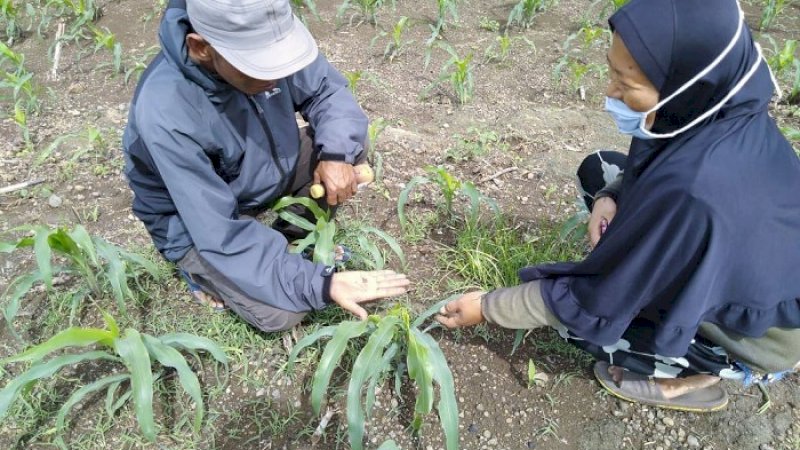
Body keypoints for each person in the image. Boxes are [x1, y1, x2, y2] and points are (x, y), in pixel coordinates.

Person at [436, 0, 800, 412]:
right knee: (600, 171)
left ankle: (698, 376)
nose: (610, 92)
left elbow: (591, 299)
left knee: (580, 326)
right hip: (736, 258)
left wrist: (487, 307)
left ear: (685, 84)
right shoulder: (721, 107)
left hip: (763, 337)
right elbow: (657, 174)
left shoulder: (694, 191)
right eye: (612, 72)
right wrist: (610, 198)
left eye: (626, 83)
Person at [122, 0, 409, 332]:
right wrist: (322, 285)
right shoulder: (166, 112)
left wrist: (336, 156)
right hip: (193, 218)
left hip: (253, 173)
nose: (279, 77)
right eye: (260, 68)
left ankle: (291, 242)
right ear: (201, 49)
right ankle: (199, 270)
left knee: (345, 148)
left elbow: (326, 91)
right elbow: (218, 231)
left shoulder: (264, 34)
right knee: (281, 314)